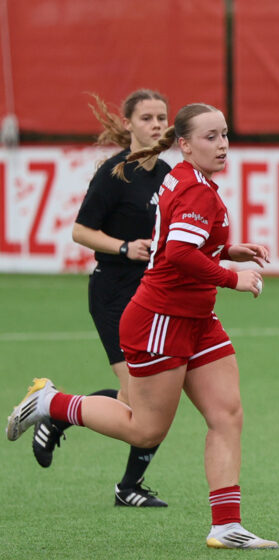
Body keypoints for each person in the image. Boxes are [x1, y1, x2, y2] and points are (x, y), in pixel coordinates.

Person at [6, 103, 278, 549]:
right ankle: (52, 403)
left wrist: (227, 250)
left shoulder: (190, 179)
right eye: (211, 137)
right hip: (160, 320)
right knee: (145, 430)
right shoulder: (195, 189)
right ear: (185, 145)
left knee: (227, 415)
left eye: (225, 134)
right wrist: (233, 277)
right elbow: (177, 255)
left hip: (195, 319)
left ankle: (226, 526)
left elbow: (181, 241)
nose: (223, 144)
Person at [31, 90, 173, 509]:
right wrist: (125, 246)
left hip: (152, 295)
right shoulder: (116, 175)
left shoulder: (166, 173)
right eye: (146, 118)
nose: (156, 125)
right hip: (114, 293)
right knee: (143, 402)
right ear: (128, 124)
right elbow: (80, 231)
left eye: (161, 117)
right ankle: (60, 411)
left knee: (149, 400)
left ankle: (128, 485)